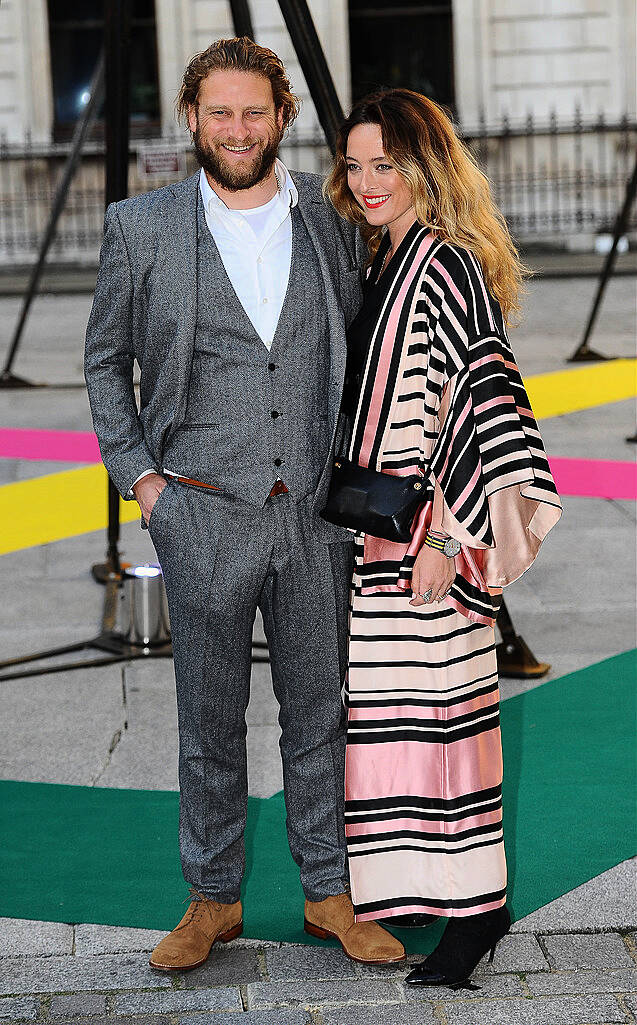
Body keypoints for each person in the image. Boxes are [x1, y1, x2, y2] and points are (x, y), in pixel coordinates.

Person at [84, 38, 405, 971]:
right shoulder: (139, 227)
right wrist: (142, 480)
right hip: (202, 511)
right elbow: (106, 362)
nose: (237, 129)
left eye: (254, 112)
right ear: (191, 117)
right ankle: (212, 898)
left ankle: (329, 894)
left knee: (320, 713)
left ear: (281, 118)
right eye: (219, 112)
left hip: (311, 514)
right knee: (208, 719)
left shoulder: (329, 212)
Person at [324, 88, 562, 987]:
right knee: (402, 723)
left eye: (386, 163)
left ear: (424, 166)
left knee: (445, 720)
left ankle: (476, 911)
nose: (368, 180)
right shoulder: (388, 258)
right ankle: (436, 888)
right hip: (380, 533)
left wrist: (450, 533)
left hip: (427, 534)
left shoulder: (447, 265)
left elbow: (484, 399)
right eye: (355, 164)